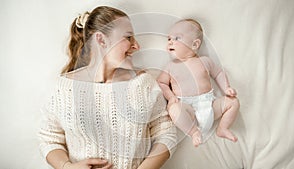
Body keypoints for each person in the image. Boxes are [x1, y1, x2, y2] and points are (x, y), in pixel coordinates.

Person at [38, 6, 177, 169]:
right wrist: (67, 166)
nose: (137, 46)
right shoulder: (63, 88)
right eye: (129, 37)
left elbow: (166, 133)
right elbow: (49, 138)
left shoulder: (142, 83)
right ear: (101, 40)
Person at [157, 18, 240, 147]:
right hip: (187, 108)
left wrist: (226, 88)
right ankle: (194, 132)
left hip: (210, 105)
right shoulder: (171, 66)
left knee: (233, 102)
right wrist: (171, 96)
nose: (171, 42)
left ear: (195, 45)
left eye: (177, 38)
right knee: (174, 110)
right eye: (169, 39)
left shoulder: (204, 61)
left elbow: (218, 73)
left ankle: (222, 128)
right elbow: (161, 82)